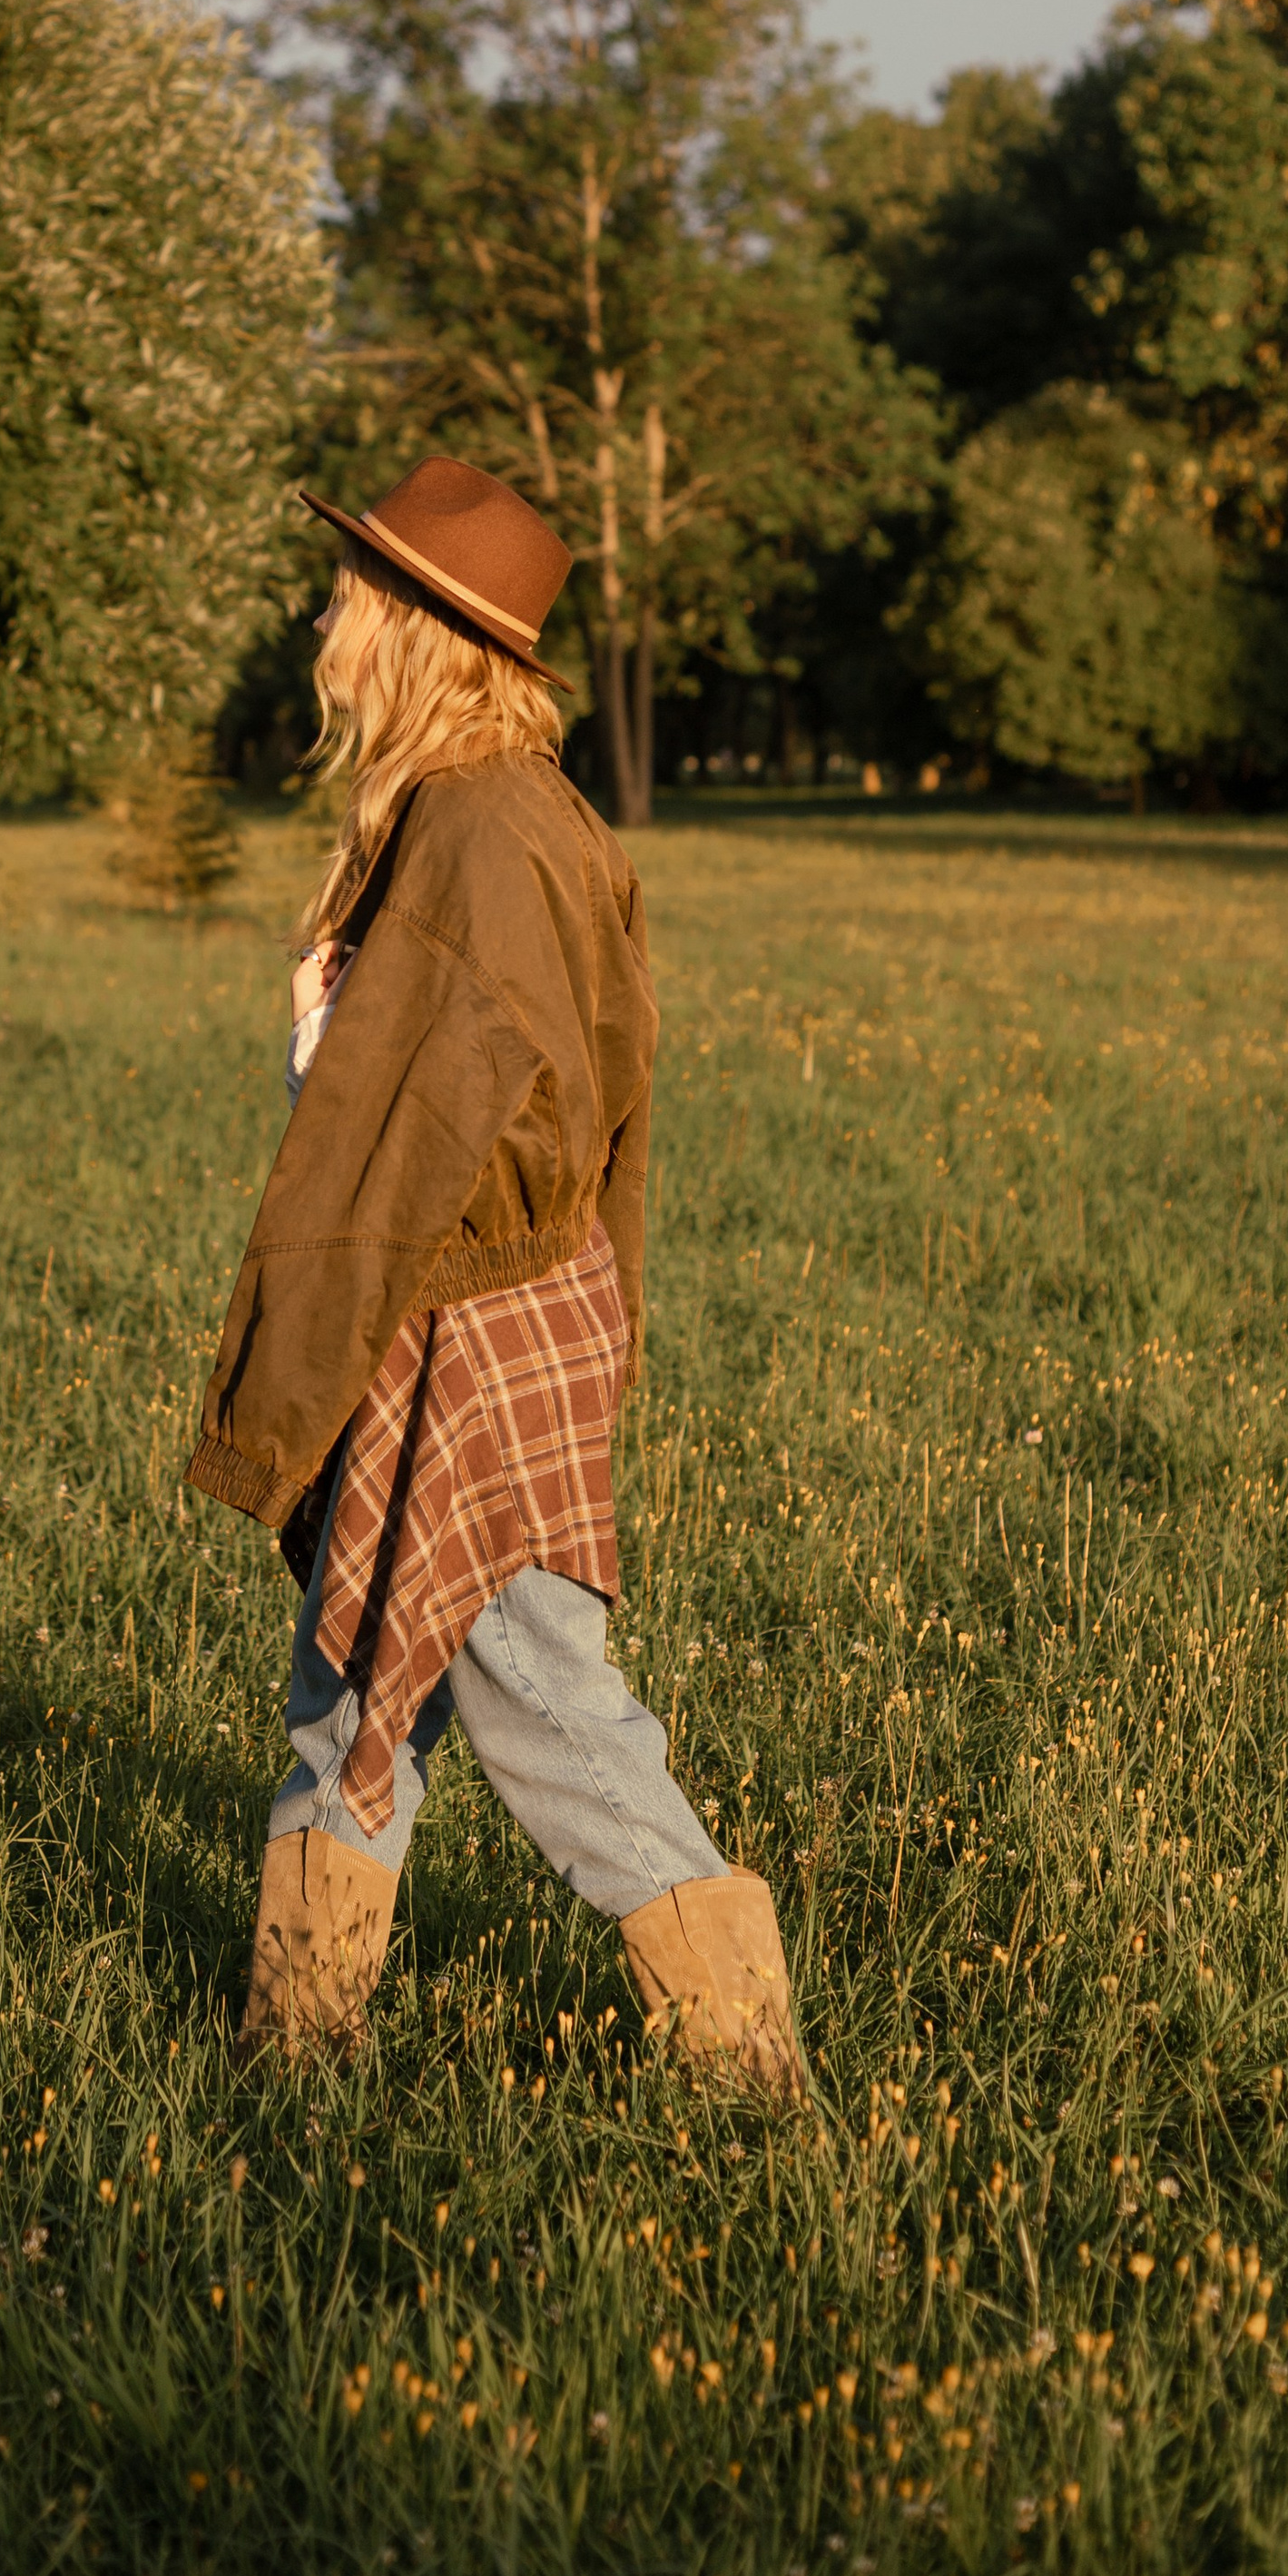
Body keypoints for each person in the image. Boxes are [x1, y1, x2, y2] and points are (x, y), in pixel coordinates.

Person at [187, 456, 805, 2096]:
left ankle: (748, 2063)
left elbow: (460, 1121)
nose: (326, 622)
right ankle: (294, 2056)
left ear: (415, 630)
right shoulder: (493, 807)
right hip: (461, 1297)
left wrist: (325, 1057)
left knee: (541, 1696)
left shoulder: (480, 827)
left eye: (350, 596)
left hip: (474, 1320)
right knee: (350, 1693)